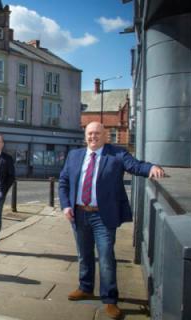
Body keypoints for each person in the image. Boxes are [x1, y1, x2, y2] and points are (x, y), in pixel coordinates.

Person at [59, 121, 165, 319]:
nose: (93, 137)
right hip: (79, 213)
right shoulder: (74, 156)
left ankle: (109, 299)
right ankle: (86, 287)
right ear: (85, 136)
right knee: (84, 255)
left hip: (103, 216)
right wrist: (66, 205)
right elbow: (64, 181)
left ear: (105, 136)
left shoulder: (116, 155)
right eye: (90, 133)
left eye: (97, 133)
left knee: (106, 257)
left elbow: (135, 165)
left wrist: (151, 168)